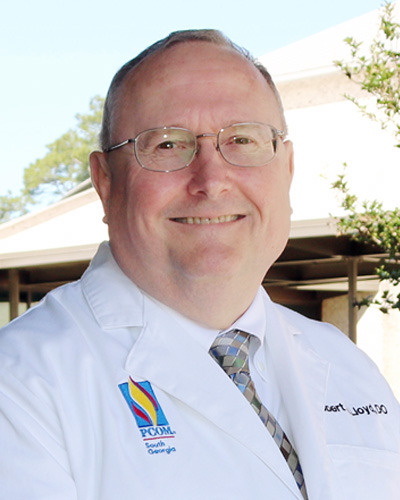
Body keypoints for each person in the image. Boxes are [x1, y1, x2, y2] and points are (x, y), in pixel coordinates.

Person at [0, 29, 399, 500]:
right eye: (167, 145)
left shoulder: (347, 365)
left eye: (243, 140)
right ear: (105, 182)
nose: (211, 180)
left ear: (287, 170)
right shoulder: (20, 384)